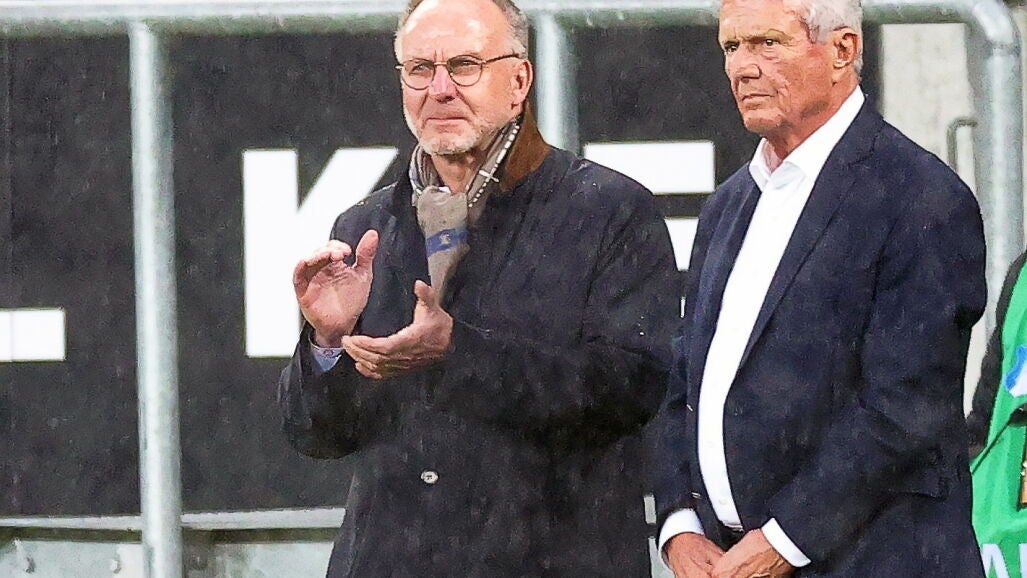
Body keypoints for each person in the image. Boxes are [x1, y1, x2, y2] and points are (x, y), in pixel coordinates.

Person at [276, 0, 679, 576]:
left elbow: (630, 392)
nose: (439, 89)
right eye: (420, 69)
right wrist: (327, 344)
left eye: (464, 66)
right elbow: (318, 436)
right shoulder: (364, 226)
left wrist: (456, 352)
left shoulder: (610, 210)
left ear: (519, 81)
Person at [653, 0, 987, 576]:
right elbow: (685, 378)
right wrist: (679, 523)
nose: (742, 68)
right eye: (731, 47)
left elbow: (905, 405)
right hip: (726, 560)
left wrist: (783, 541)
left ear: (842, 50)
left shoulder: (921, 197)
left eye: (767, 43)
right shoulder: (728, 205)